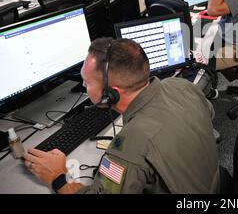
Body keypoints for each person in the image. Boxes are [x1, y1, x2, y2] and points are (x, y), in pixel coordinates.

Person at [23, 38, 220, 193]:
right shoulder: (181, 85)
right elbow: (208, 115)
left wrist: (58, 177)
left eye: (87, 82)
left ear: (112, 93)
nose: (83, 86)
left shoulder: (131, 144)